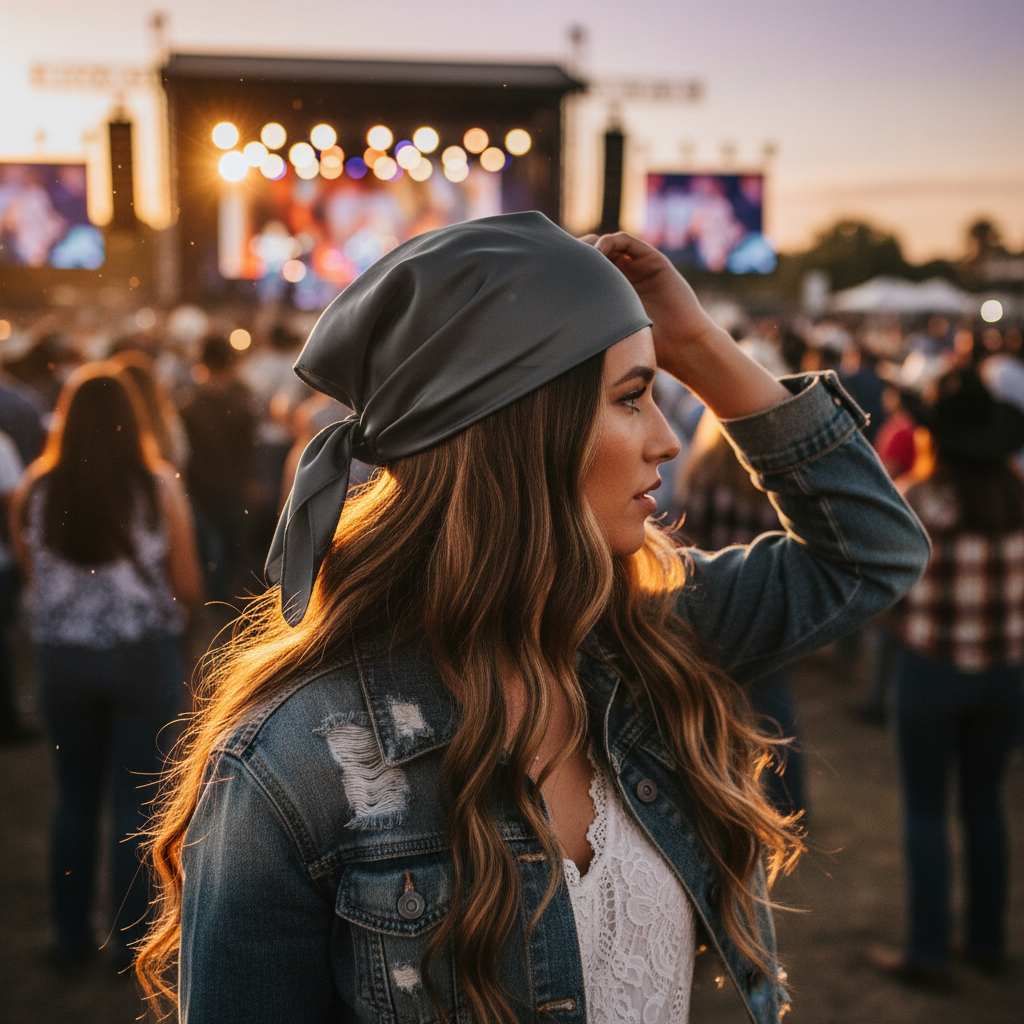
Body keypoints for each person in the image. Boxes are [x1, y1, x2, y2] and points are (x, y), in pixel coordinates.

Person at [137, 213, 929, 1024]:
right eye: (631, 398)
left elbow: (872, 551)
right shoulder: (293, 766)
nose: (665, 438)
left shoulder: (650, 641)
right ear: (520, 435)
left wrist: (697, 346)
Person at [10, 364, 202, 971]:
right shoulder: (156, 487)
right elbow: (190, 584)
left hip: (63, 660)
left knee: (72, 799)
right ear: (132, 420)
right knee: (137, 798)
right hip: (141, 656)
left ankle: (70, 936)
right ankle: (132, 937)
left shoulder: (36, 491)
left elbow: (33, 576)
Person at [869, 367, 1024, 988]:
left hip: (932, 674)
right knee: (986, 805)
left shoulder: (913, 501)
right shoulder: (1020, 497)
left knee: (926, 814)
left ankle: (929, 951)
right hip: (1009, 676)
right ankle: (987, 941)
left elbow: (884, 601)